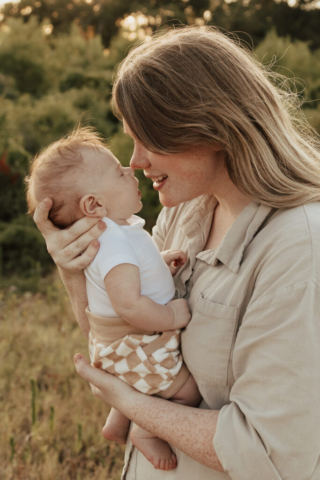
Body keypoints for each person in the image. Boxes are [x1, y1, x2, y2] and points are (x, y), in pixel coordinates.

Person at [33, 26, 320, 480]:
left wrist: (131, 405)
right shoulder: (185, 210)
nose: (137, 161)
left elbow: (275, 456)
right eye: (131, 139)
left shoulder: (299, 249)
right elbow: (123, 346)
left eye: (150, 139)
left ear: (213, 128)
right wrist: (75, 271)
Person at [25, 128, 201, 471]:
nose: (130, 170)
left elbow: (127, 278)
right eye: (118, 172)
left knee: (134, 379)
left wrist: (161, 263)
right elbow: (128, 305)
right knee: (186, 393)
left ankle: (117, 421)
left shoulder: (118, 235)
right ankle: (145, 432)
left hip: (120, 345)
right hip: (135, 340)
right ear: (94, 204)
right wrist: (172, 316)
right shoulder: (114, 242)